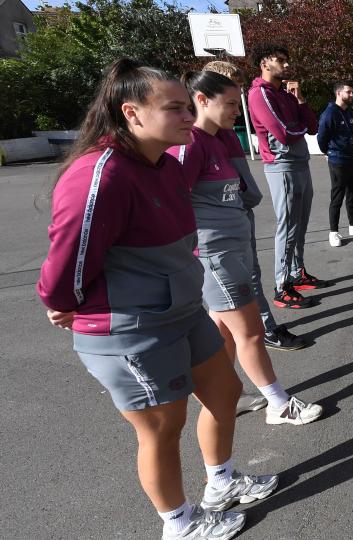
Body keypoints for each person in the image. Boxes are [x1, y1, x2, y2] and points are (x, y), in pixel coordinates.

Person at [36, 59, 276, 540]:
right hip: (129, 328)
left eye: (189, 107)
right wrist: (64, 300)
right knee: (162, 428)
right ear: (132, 113)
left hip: (182, 312)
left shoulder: (164, 164)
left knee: (225, 393)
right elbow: (65, 266)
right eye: (175, 108)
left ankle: (221, 485)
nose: (190, 116)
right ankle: (180, 525)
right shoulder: (100, 176)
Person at [174, 70, 325, 429]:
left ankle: (225, 392)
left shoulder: (216, 140)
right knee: (252, 332)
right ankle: (278, 403)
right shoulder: (192, 144)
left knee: (224, 332)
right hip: (216, 257)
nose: (236, 112)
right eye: (229, 104)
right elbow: (172, 202)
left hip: (231, 251)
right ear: (201, 100)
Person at [202, 60, 308, 355]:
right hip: (222, 230)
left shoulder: (221, 132)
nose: (237, 110)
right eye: (232, 100)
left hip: (236, 215)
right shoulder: (201, 139)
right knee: (242, 284)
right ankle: (266, 330)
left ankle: (231, 361)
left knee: (238, 289)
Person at [246, 45, 323, 309]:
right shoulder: (259, 94)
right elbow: (282, 133)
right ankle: (281, 287)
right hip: (282, 166)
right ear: (265, 63)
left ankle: (296, 272)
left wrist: (300, 99)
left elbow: (312, 126)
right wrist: (297, 128)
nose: (287, 65)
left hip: (300, 163)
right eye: (281, 61)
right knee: (287, 226)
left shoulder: (287, 95)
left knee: (299, 224)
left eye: (287, 61)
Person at [318, 82, 353, 246]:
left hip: (352, 158)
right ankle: (333, 232)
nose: (352, 94)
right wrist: (328, 152)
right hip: (338, 160)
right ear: (339, 93)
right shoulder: (329, 113)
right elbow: (322, 137)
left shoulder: (348, 111)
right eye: (349, 92)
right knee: (337, 196)